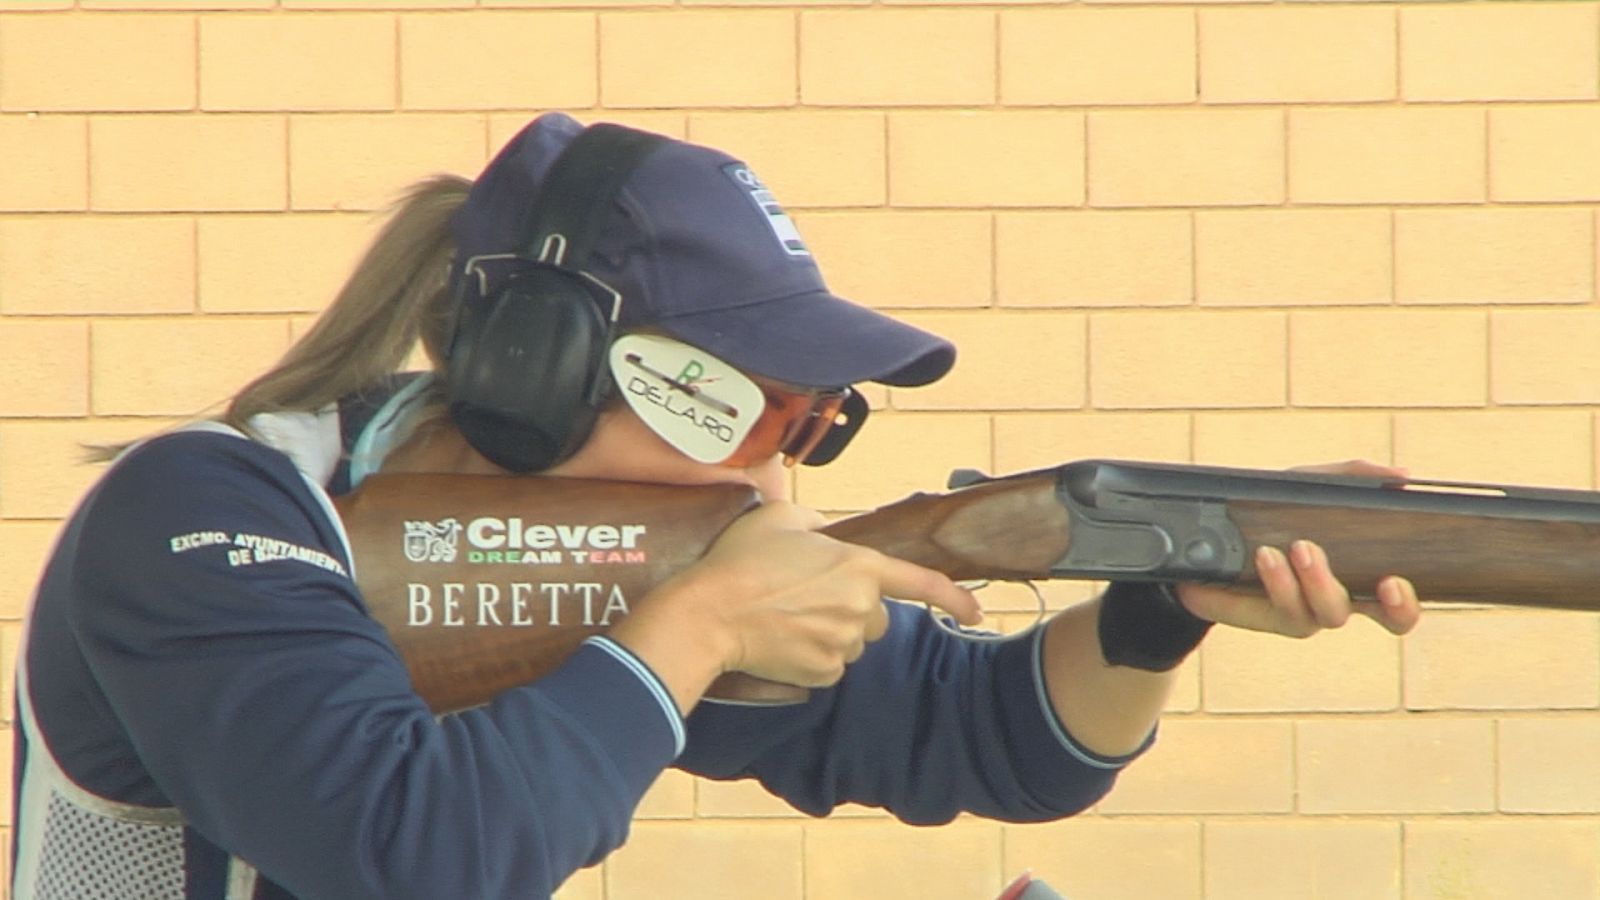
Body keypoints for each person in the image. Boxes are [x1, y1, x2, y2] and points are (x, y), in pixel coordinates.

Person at [10, 113, 1421, 900]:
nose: (768, 479)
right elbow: (411, 853)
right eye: (722, 406)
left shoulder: (622, 576)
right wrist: (690, 634)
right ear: (530, 370)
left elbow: (989, 740)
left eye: (807, 423)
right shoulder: (202, 511)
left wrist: (1159, 610)